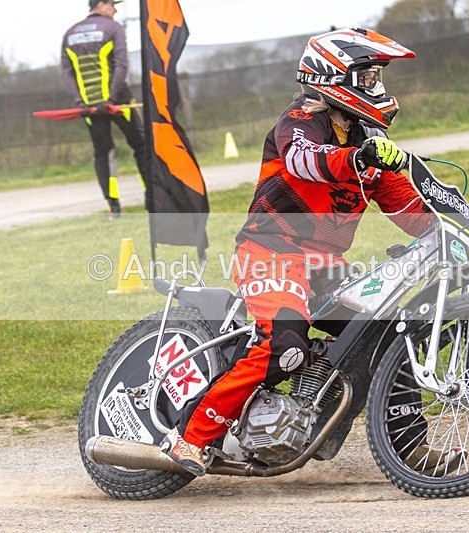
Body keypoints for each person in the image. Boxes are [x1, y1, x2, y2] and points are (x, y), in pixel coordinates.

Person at [167, 28, 434, 476]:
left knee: (384, 337)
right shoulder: (300, 118)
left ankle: (411, 450)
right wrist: (357, 160)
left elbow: (409, 207)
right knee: (284, 343)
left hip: (325, 267)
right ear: (334, 75)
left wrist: (455, 228)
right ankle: (191, 439)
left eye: (376, 79)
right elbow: (302, 159)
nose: (376, 87)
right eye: (367, 77)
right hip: (270, 252)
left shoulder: (366, 141)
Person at [61, 0, 148, 218]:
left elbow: (66, 73)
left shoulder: (69, 34)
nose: (115, 9)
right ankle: (153, 196)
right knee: (141, 144)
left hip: (89, 106)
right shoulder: (113, 28)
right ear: (100, 5)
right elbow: (121, 64)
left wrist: (80, 102)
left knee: (103, 153)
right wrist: (111, 98)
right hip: (117, 101)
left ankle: (114, 207)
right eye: (112, 4)